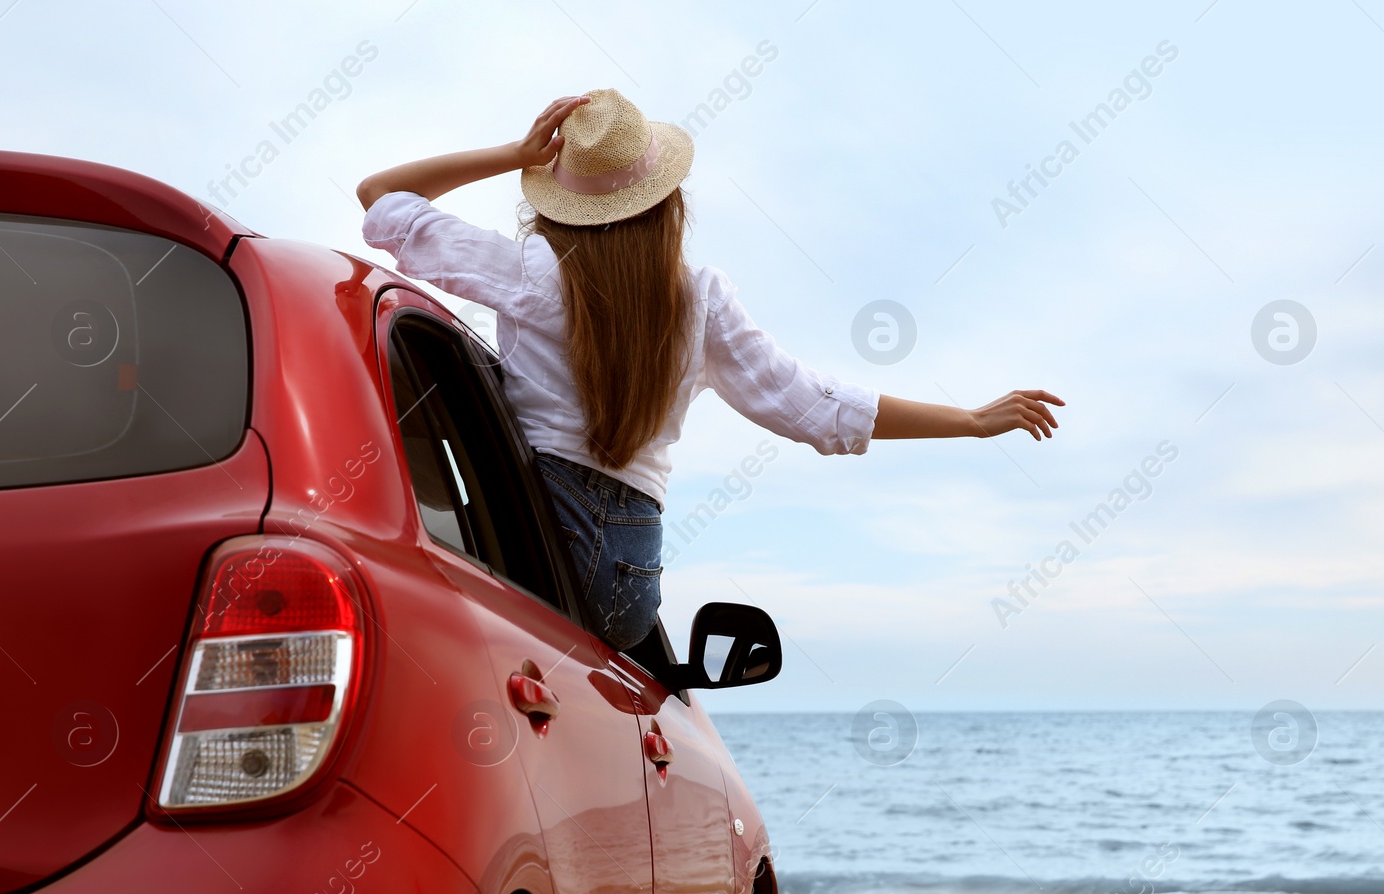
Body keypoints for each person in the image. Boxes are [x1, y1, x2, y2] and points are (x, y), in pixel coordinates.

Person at [358, 89, 1064, 652]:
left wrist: (513, 151)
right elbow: (813, 405)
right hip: (630, 586)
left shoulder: (532, 273)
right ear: (666, 201)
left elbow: (381, 196)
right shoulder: (700, 301)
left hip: (534, 539)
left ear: (560, 201)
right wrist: (971, 422)